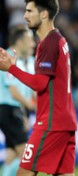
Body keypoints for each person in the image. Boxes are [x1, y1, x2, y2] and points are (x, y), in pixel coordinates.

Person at [0, 0, 77, 176]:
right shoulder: (59, 39)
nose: (24, 16)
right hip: (66, 121)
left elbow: (40, 83)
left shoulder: (49, 43)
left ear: (43, 14)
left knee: (24, 173)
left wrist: (11, 68)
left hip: (51, 122)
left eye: (29, 11)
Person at [0, 25, 36, 176]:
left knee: (12, 155)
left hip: (15, 110)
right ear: (20, 41)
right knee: (28, 157)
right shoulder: (6, 57)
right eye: (30, 40)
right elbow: (14, 91)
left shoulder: (26, 61)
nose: (33, 44)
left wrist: (25, 113)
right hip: (8, 109)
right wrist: (33, 108)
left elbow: (30, 89)